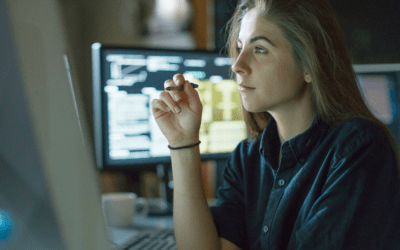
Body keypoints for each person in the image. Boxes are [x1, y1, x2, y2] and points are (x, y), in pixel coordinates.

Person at [151, 0, 400, 249]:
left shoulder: (358, 149)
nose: (237, 65)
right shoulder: (245, 158)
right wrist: (183, 143)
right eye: (240, 47)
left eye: (260, 49)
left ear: (309, 65)